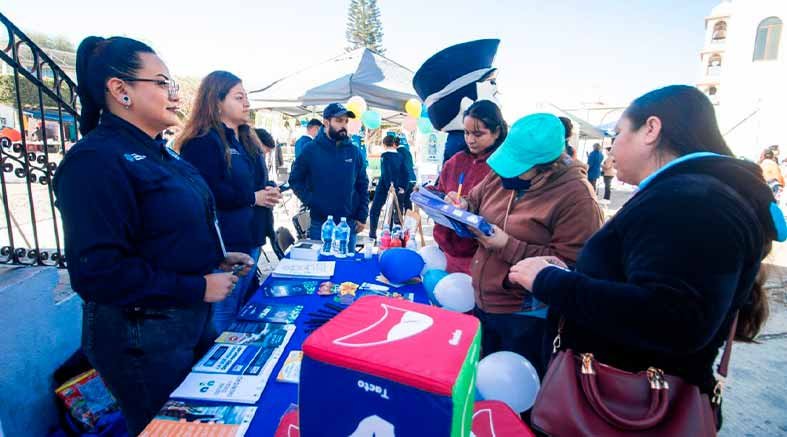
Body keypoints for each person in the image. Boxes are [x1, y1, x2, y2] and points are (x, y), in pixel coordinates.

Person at [508, 85, 785, 429]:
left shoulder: (693, 199)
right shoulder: (690, 192)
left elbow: (673, 316)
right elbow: (648, 277)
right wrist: (572, 273)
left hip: (623, 406)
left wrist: (550, 281)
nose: (611, 148)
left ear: (651, 129)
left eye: (619, 133)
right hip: (618, 399)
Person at [53, 36, 253, 435]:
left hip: (184, 322)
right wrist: (197, 286)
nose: (174, 94)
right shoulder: (95, 160)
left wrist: (215, 256)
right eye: (162, 83)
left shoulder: (161, 152)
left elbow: (166, 230)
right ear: (120, 90)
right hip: (141, 338)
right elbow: (98, 273)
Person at [447, 113, 603, 374]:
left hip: (526, 316)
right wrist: (463, 205)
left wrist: (506, 244)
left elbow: (571, 266)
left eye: (517, 168)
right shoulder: (502, 176)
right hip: (484, 301)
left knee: (515, 398)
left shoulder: (578, 198)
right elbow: (476, 197)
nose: (505, 174)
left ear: (547, 167)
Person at [176, 71, 280, 333]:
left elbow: (253, 183)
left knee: (241, 309)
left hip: (253, 238)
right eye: (239, 97)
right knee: (222, 318)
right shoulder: (202, 142)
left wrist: (269, 191)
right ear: (217, 101)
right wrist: (252, 198)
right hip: (227, 244)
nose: (247, 104)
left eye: (246, 97)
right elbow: (205, 192)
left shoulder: (247, 139)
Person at [433, 100, 506, 274]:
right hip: (444, 250)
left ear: (497, 132)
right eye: (466, 133)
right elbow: (441, 190)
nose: (470, 140)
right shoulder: (456, 160)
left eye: (478, 134)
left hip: (480, 257)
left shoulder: (502, 166)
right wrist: (428, 195)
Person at [289, 103, 369, 250]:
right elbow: (295, 179)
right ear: (326, 123)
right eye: (339, 121)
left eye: (346, 121)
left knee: (345, 269)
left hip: (348, 225)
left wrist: (362, 216)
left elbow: (362, 184)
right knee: (322, 269)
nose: (344, 125)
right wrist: (312, 200)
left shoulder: (354, 151)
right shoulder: (311, 150)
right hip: (320, 225)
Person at [412, 39, 502, 165]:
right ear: (466, 103)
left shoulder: (457, 142)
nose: (471, 139)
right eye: (494, 94)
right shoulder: (464, 147)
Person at [369, 135, 408, 239]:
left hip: (384, 185)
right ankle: (388, 234)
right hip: (397, 186)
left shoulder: (385, 156)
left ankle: (372, 234)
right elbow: (405, 172)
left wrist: (389, 184)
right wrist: (402, 186)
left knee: (375, 210)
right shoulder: (400, 156)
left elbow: (386, 171)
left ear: (384, 144)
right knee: (390, 212)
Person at [254, 127, 285, 259]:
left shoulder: (257, 159)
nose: (265, 155)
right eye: (264, 151)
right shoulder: (250, 158)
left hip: (261, 224)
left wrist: (272, 188)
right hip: (251, 226)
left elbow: (262, 182)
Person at [395, 136, 417, 211]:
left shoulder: (397, 152)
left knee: (399, 202)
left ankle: (399, 222)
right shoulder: (408, 152)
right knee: (408, 202)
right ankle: (409, 221)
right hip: (412, 179)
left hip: (403, 181)